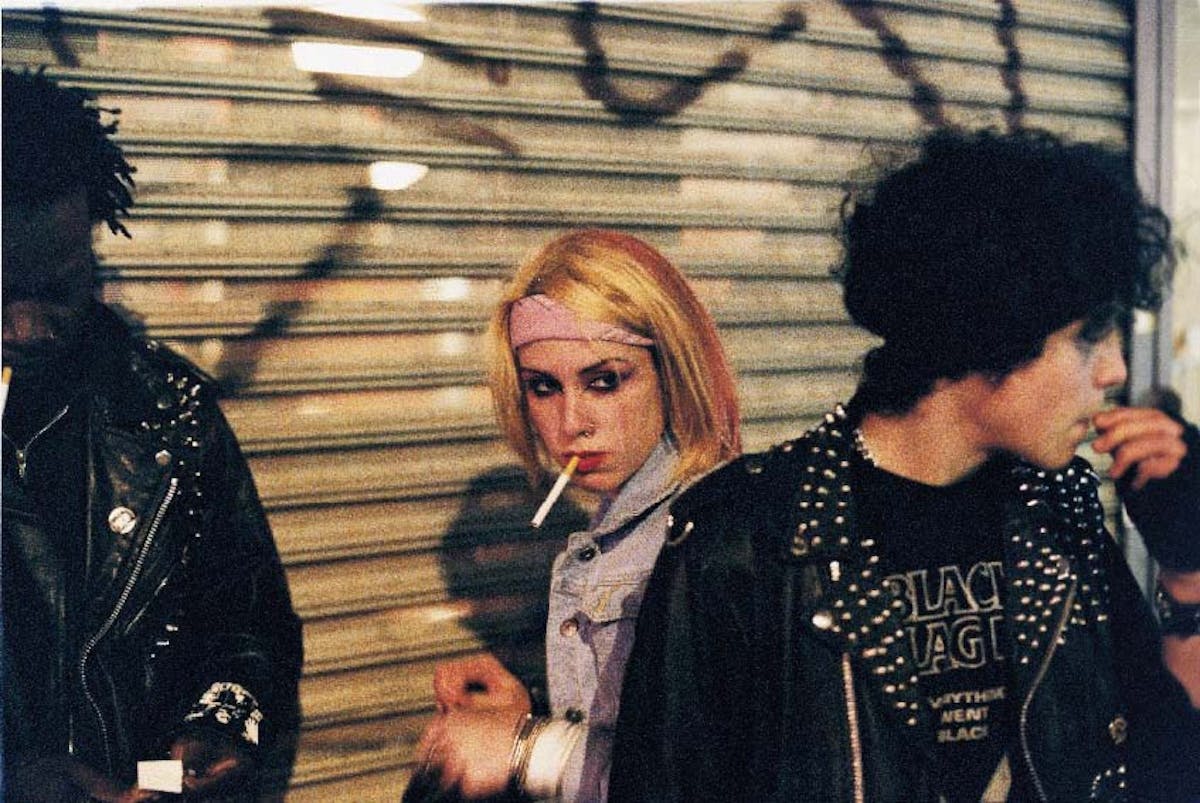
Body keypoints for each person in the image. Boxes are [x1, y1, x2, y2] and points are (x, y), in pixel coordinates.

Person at [609, 129, 1200, 802]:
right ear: (994, 323)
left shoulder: (1057, 511)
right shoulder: (747, 541)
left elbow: (1170, 766)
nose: (1115, 369)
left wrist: (1186, 568)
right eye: (1089, 336)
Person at [2, 68, 304, 802]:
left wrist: (222, 727)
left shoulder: (168, 411)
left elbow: (249, 625)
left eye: (59, 289)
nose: (26, 328)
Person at [411, 229, 741, 801]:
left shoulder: (714, 535)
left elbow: (711, 772)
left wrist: (523, 749)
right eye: (543, 387)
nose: (571, 423)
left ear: (672, 369)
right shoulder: (619, 530)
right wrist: (524, 710)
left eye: (604, 381)